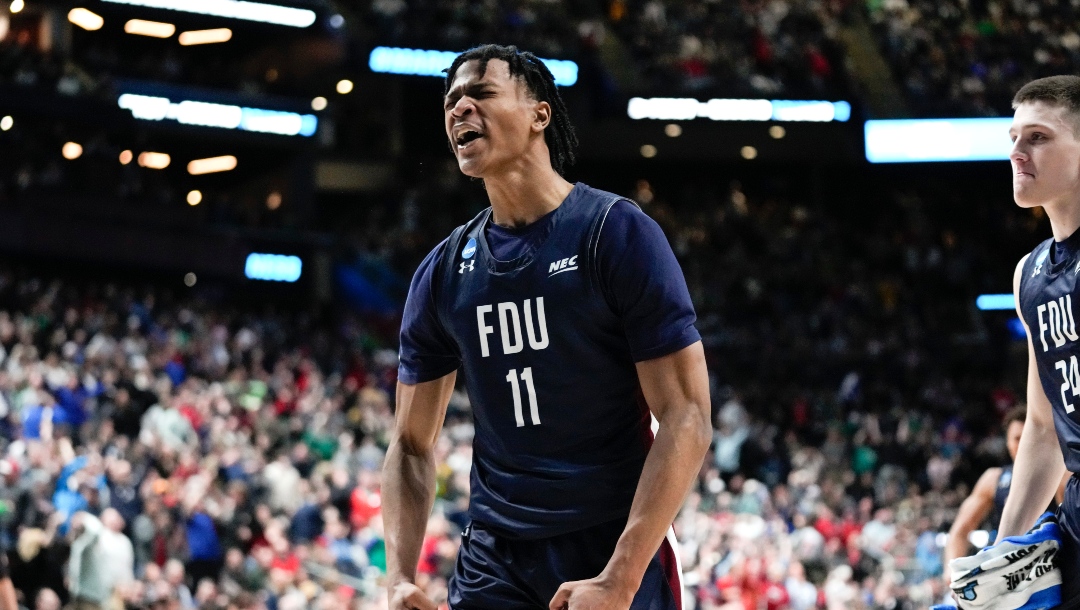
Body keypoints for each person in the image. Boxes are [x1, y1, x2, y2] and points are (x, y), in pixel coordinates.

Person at [383, 44, 712, 610]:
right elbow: (411, 444)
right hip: (493, 551)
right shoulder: (442, 272)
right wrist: (399, 577)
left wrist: (621, 578)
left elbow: (687, 415)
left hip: (610, 537)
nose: (460, 109)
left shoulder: (615, 232)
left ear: (540, 114)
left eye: (481, 93)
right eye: (452, 101)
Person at [993, 74, 1080, 605]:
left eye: (1039, 137)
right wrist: (1002, 551)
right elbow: (1043, 429)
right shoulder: (1030, 273)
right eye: (1014, 138)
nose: (1018, 153)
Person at [941, 405, 1068, 582]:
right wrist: (952, 572)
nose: (1023, 444)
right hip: (1004, 572)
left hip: (1048, 571)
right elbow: (960, 531)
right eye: (1017, 438)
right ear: (1007, 442)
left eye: (1027, 437)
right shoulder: (993, 479)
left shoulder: (1061, 476)